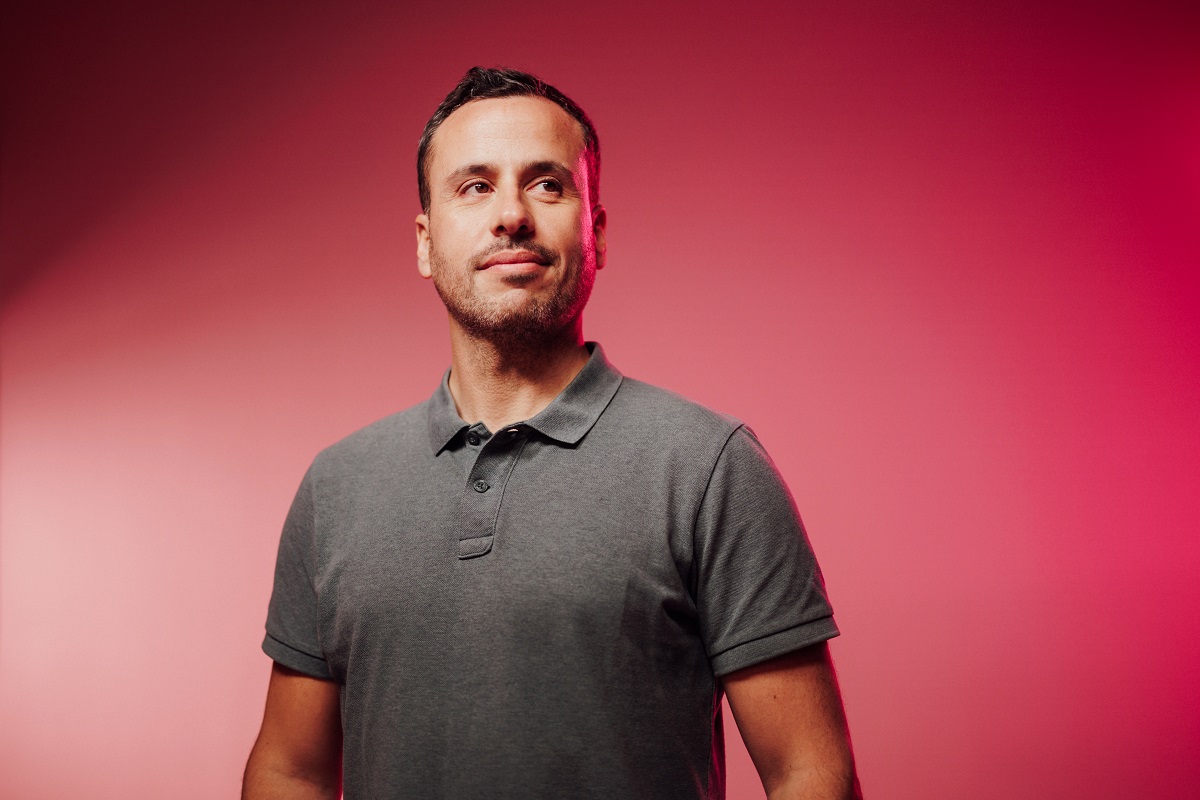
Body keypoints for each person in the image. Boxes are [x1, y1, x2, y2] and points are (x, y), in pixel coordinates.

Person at [243, 66, 861, 800]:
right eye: (474, 187)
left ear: (595, 232)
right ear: (423, 240)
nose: (511, 215)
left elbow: (809, 773)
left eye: (547, 184)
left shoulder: (708, 467)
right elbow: (291, 769)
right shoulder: (336, 487)